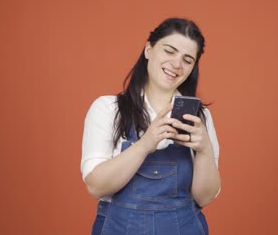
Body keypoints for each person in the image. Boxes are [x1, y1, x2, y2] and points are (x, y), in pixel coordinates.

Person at [81, 18, 221, 235]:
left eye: (187, 59)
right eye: (169, 51)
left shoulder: (199, 118)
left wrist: (204, 150)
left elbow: (205, 197)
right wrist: (146, 144)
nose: (176, 64)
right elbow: (96, 186)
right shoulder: (108, 109)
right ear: (148, 49)